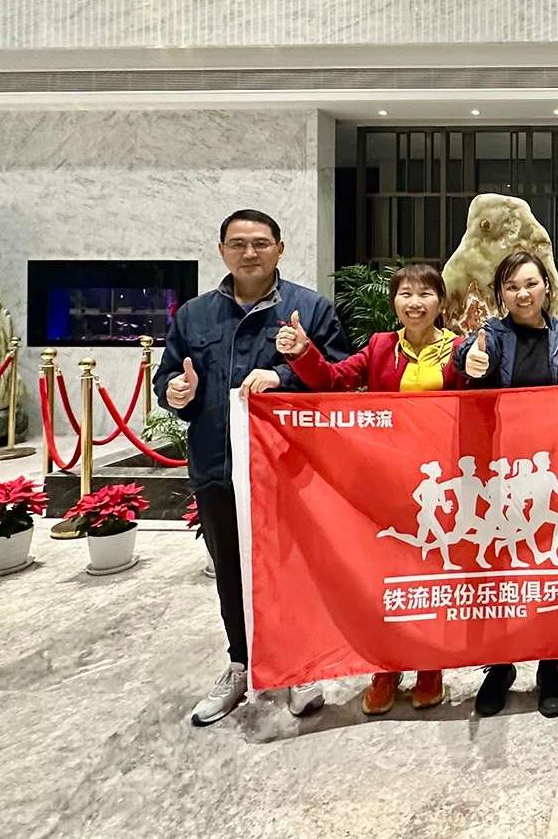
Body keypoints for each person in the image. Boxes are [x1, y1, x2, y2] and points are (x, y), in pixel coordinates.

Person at [154, 209, 349, 727]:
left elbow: (336, 376)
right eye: (238, 244)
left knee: (294, 566)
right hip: (218, 465)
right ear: (222, 251)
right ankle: (240, 663)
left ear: (279, 249)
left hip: (290, 467)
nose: (249, 253)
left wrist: (286, 372)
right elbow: (168, 378)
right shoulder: (193, 315)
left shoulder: (310, 308)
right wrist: (176, 392)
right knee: (231, 568)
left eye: (260, 243)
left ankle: (299, 664)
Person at [275, 261, 468, 716]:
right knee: (388, 572)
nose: (415, 303)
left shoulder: (460, 349)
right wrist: (302, 353)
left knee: (432, 574)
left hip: (441, 484)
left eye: (425, 294)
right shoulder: (381, 347)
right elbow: (333, 380)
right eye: (406, 294)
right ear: (394, 301)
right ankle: (386, 665)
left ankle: (429, 664)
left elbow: (481, 400)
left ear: (441, 301)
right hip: (386, 480)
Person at [452, 251, 558, 719]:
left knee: (547, 566)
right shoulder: (490, 335)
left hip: (548, 475)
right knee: (502, 570)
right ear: (500, 295)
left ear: (546, 286)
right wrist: (469, 361)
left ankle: (550, 664)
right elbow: (466, 356)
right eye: (511, 287)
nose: (523, 294)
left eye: (531, 284)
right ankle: (501, 663)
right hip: (500, 476)